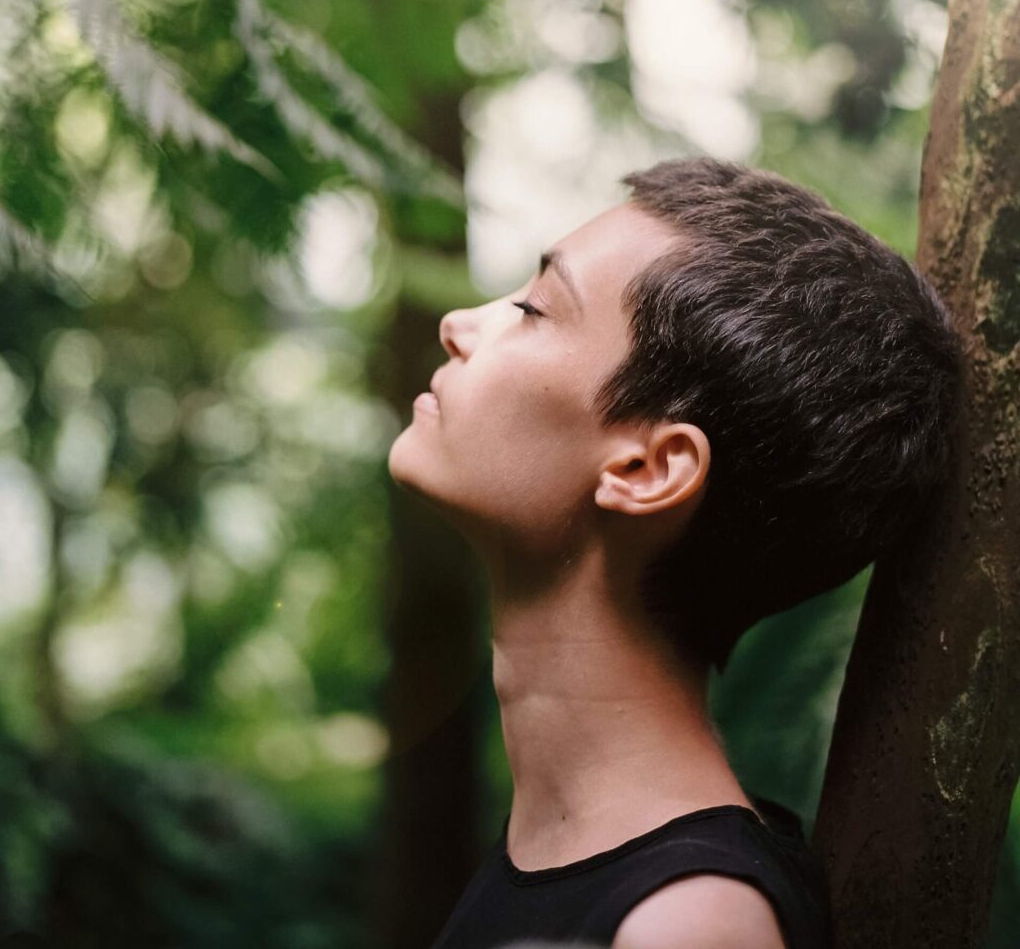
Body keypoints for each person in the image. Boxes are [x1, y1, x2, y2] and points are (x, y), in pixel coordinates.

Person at [386, 157, 963, 948]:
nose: (460, 324)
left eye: (533, 308)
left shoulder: (690, 923)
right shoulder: (575, 859)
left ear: (647, 469)